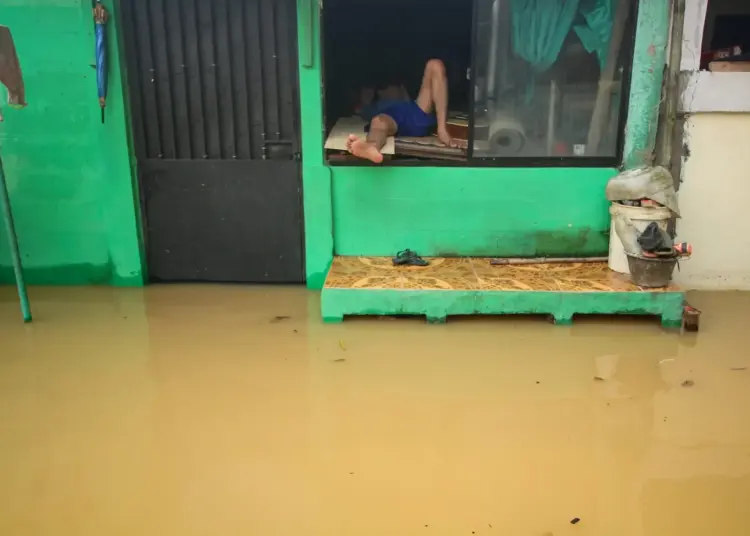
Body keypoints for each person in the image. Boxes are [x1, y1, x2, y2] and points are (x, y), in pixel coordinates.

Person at [346, 59, 465, 164]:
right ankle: (372, 147)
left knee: (435, 64)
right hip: (389, 118)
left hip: (414, 112)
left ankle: (442, 130)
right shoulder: (370, 98)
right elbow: (360, 109)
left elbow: (407, 98)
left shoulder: (398, 85)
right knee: (379, 122)